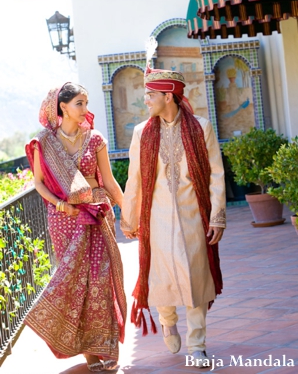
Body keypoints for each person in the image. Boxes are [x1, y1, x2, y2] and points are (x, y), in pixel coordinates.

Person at [120, 48, 226, 369]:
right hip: (156, 217)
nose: (146, 101)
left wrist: (218, 216)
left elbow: (217, 174)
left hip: (194, 215)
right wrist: (128, 218)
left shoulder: (201, 128)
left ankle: (198, 345)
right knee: (161, 275)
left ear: (168, 96)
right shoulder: (141, 133)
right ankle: (167, 319)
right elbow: (134, 179)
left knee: (195, 278)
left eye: (150, 95)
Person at [25, 82, 126, 372]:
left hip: (96, 213)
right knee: (75, 285)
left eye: (86, 102)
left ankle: (104, 346)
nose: (85, 108)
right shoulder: (43, 143)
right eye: (79, 103)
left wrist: (127, 209)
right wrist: (61, 205)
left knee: (100, 282)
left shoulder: (95, 139)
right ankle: (89, 356)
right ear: (63, 107)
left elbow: (108, 180)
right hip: (64, 218)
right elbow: (40, 184)